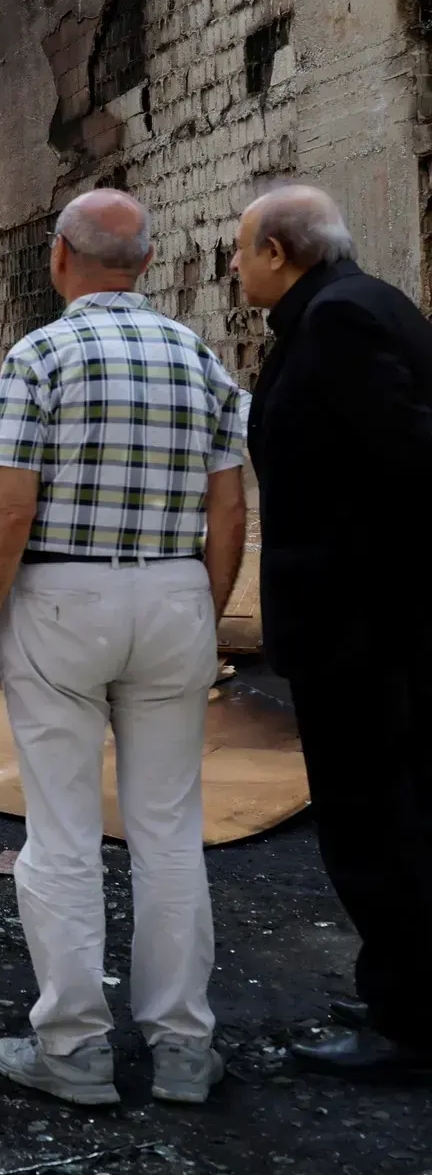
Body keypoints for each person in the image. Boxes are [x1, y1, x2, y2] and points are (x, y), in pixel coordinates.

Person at [0, 189, 247, 1106]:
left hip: (63, 596)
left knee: (64, 835)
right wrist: (203, 608)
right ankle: (183, 1051)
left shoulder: (40, 355)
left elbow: (6, 507)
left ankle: (75, 1052)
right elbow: (229, 508)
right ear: (148, 264)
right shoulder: (200, 358)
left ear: (59, 259)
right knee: (168, 834)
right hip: (173, 592)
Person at [233, 183, 432, 1083]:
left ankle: (408, 1024)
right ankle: (397, 989)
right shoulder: (363, 303)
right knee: (388, 819)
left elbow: (411, 456)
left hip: (366, 631)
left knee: (374, 826)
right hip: (371, 623)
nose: (233, 267)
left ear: (279, 251)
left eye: (240, 251)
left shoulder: (341, 321)